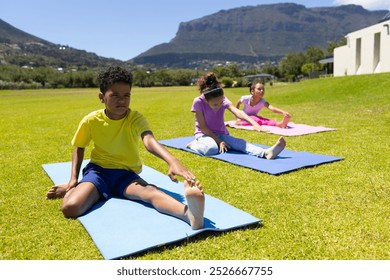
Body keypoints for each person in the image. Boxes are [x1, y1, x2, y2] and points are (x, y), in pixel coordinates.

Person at [46, 66, 204, 230]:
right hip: (98, 173)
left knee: (150, 192)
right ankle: (72, 188)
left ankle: (190, 215)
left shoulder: (135, 118)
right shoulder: (91, 120)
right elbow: (79, 147)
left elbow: (149, 140)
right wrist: (73, 179)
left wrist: (173, 161)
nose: (121, 100)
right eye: (114, 95)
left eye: (126, 95)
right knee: (69, 208)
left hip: (126, 175)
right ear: (102, 97)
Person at [187, 72, 286, 158]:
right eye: (215, 104)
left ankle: (265, 153)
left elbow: (238, 112)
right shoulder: (198, 102)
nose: (219, 106)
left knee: (240, 143)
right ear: (205, 100)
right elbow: (203, 127)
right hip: (204, 134)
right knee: (212, 149)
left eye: (221, 103)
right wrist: (219, 141)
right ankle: (194, 145)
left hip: (221, 133)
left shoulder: (223, 99)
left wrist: (254, 123)